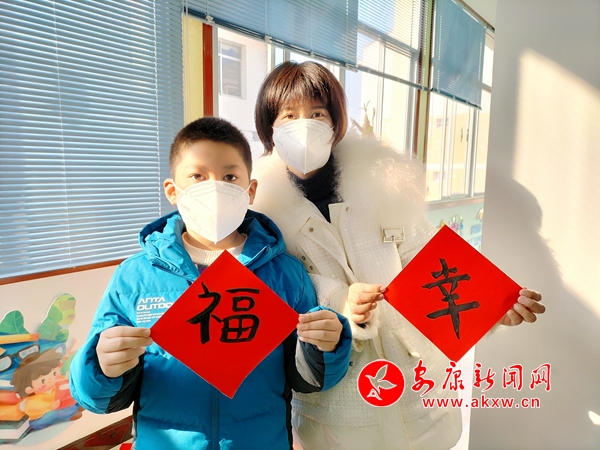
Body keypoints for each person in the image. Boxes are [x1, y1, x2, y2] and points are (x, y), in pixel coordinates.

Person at [250, 61, 546, 450]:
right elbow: (274, 298)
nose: (304, 126)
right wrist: (339, 302)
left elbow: (431, 263)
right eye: (289, 116)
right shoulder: (260, 217)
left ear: (335, 123)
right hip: (337, 413)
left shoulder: (385, 185)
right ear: (269, 128)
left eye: (317, 114)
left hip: (417, 393)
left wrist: (489, 307)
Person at [69, 117, 352, 450]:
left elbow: (308, 381)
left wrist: (326, 347)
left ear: (250, 191)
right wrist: (102, 366)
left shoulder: (285, 273)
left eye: (230, 177)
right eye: (197, 176)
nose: (215, 187)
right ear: (172, 191)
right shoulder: (135, 276)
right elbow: (98, 398)